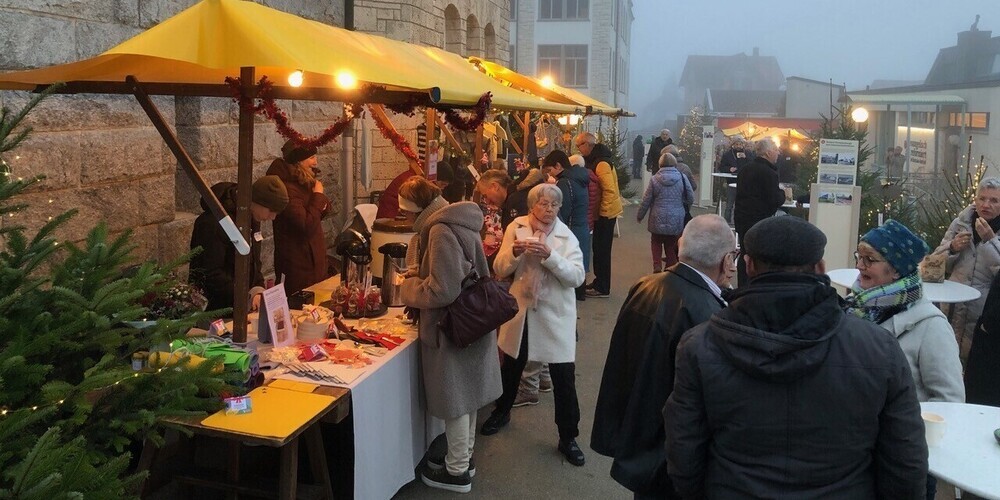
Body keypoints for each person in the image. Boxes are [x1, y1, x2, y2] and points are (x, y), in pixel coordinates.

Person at [664, 216, 927, 499]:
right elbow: (905, 461)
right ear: (821, 268)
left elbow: (684, 451)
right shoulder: (879, 348)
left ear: (748, 266)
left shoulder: (699, 346)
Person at [592, 215, 736, 499]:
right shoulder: (709, 313)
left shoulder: (645, 285)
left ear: (681, 245)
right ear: (726, 259)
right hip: (671, 453)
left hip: (637, 437)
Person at [398, 176, 502, 494]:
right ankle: (463, 459)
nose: (404, 217)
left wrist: (408, 288)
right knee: (467, 397)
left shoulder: (440, 230)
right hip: (472, 321)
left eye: (406, 211)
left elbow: (443, 290)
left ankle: (456, 472)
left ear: (419, 208)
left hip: (452, 326)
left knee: (455, 399)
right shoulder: (457, 220)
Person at [845, 220, 964, 500]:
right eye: (859, 257)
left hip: (901, 460)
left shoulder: (931, 326)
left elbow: (950, 402)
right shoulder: (854, 307)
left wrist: (905, 433)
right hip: (853, 449)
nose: (860, 265)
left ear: (897, 268)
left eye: (870, 259)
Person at [480, 184, 587, 467]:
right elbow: (500, 268)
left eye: (555, 205)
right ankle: (501, 411)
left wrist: (550, 256)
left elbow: (577, 277)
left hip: (555, 315)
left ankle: (568, 436)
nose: (550, 209)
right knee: (511, 366)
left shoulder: (566, 236)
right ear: (531, 206)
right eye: (544, 203)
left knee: (564, 377)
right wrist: (514, 252)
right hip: (522, 311)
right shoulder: (516, 228)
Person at [189, 176, 289, 312]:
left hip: (240, 304)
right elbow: (210, 272)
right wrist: (246, 295)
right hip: (216, 309)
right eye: (271, 211)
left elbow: (254, 260)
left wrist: (258, 288)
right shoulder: (213, 223)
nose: (273, 217)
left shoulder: (251, 217)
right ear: (257, 201)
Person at [932, 176, 1000, 356]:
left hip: (983, 311)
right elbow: (936, 263)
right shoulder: (960, 223)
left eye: (994, 200)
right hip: (952, 306)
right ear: (975, 200)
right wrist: (952, 247)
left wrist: (991, 240)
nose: (986, 205)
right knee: (947, 356)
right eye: (982, 198)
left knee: (974, 359)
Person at [266, 139, 330, 294]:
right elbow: (306, 224)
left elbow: (321, 211)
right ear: (299, 161)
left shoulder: (305, 182)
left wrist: (319, 201)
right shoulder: (288, 188)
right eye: (311, 157)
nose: (316, 162)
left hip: (313, 261)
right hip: (299, 267)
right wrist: (318, 197)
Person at [734, 137, 785, 286]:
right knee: (759, 256)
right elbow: (774, 199)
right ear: (768, 153)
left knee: (745, 254)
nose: (778, 153)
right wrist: (783, 194)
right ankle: (756, 287)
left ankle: (742, 287)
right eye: (775, 150)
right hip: (759, 221)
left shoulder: (745, 169)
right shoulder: (768, 172)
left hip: (742, 218)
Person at [576, 131, 623, 298]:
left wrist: (603, 213)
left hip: (606, 215)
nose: (578, 149)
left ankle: (602, 287)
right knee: (599, 249)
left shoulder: (601, 163)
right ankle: (599, 282)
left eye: (579, 145)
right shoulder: (598, 160)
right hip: (604, 213)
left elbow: (609, 190)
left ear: (588, 144)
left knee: (601, 250)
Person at [636, 153, 694, 273]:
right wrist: (682, 205)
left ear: (660, 164)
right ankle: (669, 269)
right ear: (674, 163)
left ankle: (657, 265)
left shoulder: (654, 179)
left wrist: (640, 215)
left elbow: (646, 199)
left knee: (656, 241)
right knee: (671, 243)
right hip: (676, 216)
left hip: (657, 215)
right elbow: (690, 197)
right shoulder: (682, 177)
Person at [717, 137, 754, 223]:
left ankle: (740, 221)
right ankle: (727, 221)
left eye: (740, 144)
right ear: (733, 145)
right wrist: (729, 169)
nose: (738, 146)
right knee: (729, 204)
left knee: (742, 203)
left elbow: (753, 164)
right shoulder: (727, 155)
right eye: (736, 144)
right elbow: (721, 167)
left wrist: (746, 158)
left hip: (744, 182)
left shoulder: (748, 153)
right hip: (731, 181)